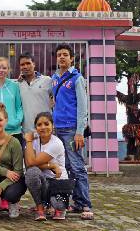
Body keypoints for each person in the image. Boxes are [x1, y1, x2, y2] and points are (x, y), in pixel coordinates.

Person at [51, 43, 93, 220]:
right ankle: (73, 202)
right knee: (65, 167)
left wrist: (79, 132)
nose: (62, 57)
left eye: (65, 55)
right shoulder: (54, 78)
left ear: (71, 58)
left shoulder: (77, 78)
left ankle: (85, 204)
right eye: (59, 54)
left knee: (77, 167)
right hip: (58, 129)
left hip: (71, 129)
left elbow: (83, 107)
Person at [24, 112, 69, 221]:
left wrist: (28, 140)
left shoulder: (56, 143)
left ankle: (58, 207)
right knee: (31, 173)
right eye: (39, 125)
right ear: (35, 128)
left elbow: (32, 161)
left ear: (52, 126)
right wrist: (51, 165)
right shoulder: (33, 142)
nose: (43, 127)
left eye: (46, 124)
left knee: (58, 206)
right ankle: (40, 208)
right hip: (43, 182)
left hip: (58, 183)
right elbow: (29, 164)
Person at [17, 53, 53, 134]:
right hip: (27, 132)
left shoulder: (47, 80)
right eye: (22, 64)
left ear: (34, 64)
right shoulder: (18, 84)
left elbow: (58, 98)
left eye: (28, 63)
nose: (25, 66)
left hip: (46, 129)